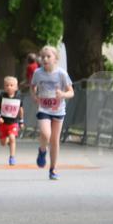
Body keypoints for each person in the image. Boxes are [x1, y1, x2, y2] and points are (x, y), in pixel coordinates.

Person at [30, 45, 74, 180]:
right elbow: (33, 87)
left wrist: (63, 95)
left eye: (48, 56)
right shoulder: (38, 73)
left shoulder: (62, 73)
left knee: (55, 140)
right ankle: (42, 151)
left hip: (58, 109)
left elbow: (71, 92)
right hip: (44, 108)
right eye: (43, 57)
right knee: (45, 133)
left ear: (56, 59)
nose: (45, 59)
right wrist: (34, 96)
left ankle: (53, 169)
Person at [0, 75, 24, 166]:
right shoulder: (2, 96)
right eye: (7, 85)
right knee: (3, 143)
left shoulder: (18, 98)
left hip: (13, 123)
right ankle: (8, 141)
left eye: (11, 85)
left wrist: (21, 121)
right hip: (2, 123)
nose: (9, 87)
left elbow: (21, 110)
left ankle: (12, 157)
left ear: (16, 87)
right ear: (4, 87)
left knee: (12, 138)